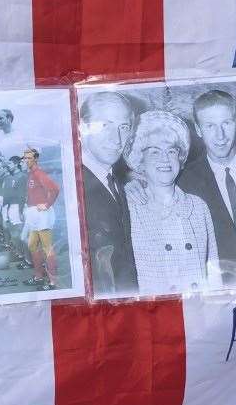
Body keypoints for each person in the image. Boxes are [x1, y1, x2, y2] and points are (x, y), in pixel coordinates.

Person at [124, 110, 219, 297]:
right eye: (154, 151)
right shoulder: (128, 206)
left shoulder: (198, 207)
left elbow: (214, 271)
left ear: (181, 159)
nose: (165, 159)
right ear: (140, 161)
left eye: (172, 151)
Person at [178, 89, 236, 285]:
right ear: (199, 129)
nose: (220, 136)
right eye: (210, 126)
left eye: (226, 123)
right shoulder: (184, 182)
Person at [78, 90, 139, 297]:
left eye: (124, 127)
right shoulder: (76, 188)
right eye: (105, 125)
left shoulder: (114, 181)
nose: (117, 138)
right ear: (82, 128)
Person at [20, 147, 61, 289]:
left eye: (29, 158)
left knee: (47, 247)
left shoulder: (38, 173)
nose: (25, 161)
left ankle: (53, 281)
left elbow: (55, 188)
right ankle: (38, 276)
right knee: (32, 245)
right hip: (33, 213)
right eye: (24, 158)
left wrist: (48, 205)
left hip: (42, 214)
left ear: (35, 159)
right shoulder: (31, 174)